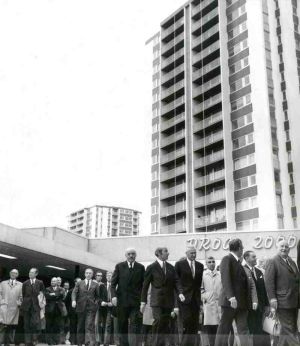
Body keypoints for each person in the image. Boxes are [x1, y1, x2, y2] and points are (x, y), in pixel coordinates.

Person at [140, 247, 185, 346]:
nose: (168, 253)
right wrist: (143, 301)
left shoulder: (170, 267)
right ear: (159, 254)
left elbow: (177, 281)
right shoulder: (151, 267)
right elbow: (145, 285)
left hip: (168, 301)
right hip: (156, 301)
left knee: (165, 324)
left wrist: (180, 293)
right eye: (166, 252)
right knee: (158, 321)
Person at [214, 239, 250, 346]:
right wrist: (231, 297)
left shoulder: (238, 262)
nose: (243, 249)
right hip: (230, 302)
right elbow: (225, 279)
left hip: (241, 304)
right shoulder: (227, 259)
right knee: (224, 329)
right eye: (242, 247)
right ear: (239, 248)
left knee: (243, 329)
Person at [265, 239, 300, 345]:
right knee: (290, 330)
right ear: (277, 248)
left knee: (288, 330)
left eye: (286, 247)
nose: (284, 248)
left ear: (289, 249)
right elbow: (269, 282)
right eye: (282, 246)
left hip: (294, 301)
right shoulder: (273, 261)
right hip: (282, 301)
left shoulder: (291, 261)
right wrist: (272, 298)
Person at [111, 247, 145, 346]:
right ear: (125, 255)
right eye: (129, 254)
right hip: (122, 301)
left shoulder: (141, 267)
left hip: (135, 302)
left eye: (133, 254)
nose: (131, 256)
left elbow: (144, 286)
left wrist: (143, 301)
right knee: (122, 325)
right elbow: (113, 284)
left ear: (136, 255)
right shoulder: (119, 266)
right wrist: (113, 296)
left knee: (134, 324)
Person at [174, 246, 203, 346]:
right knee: (187, 321)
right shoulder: (179, 264)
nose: (194, 255)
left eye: (195, 253)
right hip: (184, 298)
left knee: (195, 324)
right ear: (186, 253)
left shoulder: (200, 265)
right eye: (191, 253)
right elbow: (176, 281)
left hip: (196, 299)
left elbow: (199, 284)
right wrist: (180, 293)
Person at [243, 251, 271, 346]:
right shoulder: (242, 271)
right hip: (249, 308)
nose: (256, 258)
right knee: (252, 331)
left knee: (261, 330)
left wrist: (267, 305)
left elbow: (263, 289)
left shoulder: (259, 271)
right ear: (246, 258)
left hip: (261, 307)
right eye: (253, 257)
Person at [72, 268, 100, 346]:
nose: (88, 274)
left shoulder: (96, 284)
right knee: (80, 326)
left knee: (89, 325)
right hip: (80, 307)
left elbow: (98, 297)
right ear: (84, 274)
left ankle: (89, 343)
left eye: (90, 273)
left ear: (92, 274)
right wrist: (73, 300)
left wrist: (95, 303)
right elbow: (74, 293)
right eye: (87, 273)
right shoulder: (79, 283)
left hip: (91, 308)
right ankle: (79, 344)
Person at [20, 267, 45, 346]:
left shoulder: (40, 282)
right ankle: (27, 341)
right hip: (26, 307)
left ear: (36, 274)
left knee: (34, 324)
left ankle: (34, 340)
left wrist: (40, 304)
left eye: (32, 272)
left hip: (36, 307)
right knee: (26, 324)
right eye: (29, 272)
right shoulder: (25, 283)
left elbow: (42, 294)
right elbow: (23, 295)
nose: (30, 274)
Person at [201, 256, 221, 346]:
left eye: (213, 261)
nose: (212, 263)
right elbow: (200, 289)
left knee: (219, 328)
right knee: (210, 328)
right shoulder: (203, 275)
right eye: (209, 262)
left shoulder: (220, 274)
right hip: (209, 305)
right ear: (206, 264)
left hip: (219, 304)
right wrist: (207, 297)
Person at [0, 269, 23, 345]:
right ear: (10, 273)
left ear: (17, 275)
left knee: (10, 327)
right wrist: (1, 302)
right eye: (12, 272)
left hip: (14, 308)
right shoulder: (3, 283)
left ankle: (7, 343)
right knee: (2, 326)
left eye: (15, 273)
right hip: (4, 307)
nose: (13, 274)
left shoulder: (20, 284)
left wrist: (19, 303)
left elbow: (21, 296)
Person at [45, 277, 66, 345]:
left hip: (58, 310)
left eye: (54, 281)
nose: (52, 282)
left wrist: (53, 295)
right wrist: (54, 295)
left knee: (57, 326)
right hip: (49, 310)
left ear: (57, 282)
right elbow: (47, 296)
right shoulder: (47, 289)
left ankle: (56, 341)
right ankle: (49, 341)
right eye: (52, 281)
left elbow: (61, 295)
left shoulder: (62, 289)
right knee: (49, 326)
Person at [103, 271, 118, 346]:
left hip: (115, 308)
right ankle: (106, 343)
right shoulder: (102, 286)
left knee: (116, 326)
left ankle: (117, 343)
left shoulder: (116, 285)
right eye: (108, 276)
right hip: (106, 308)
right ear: (106, 277)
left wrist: (113, 303)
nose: (109, 277)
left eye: (111, 276)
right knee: (107, 325)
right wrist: (104, 303)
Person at [95, 271, 106, 346]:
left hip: (98, 307)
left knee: (96, 324)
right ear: (95, 276)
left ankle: (97, 340)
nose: (99, 277)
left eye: (101, 276)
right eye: (98, 275)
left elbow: (102, 296)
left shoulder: (102, 285)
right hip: (90, 306)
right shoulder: (92, 283)